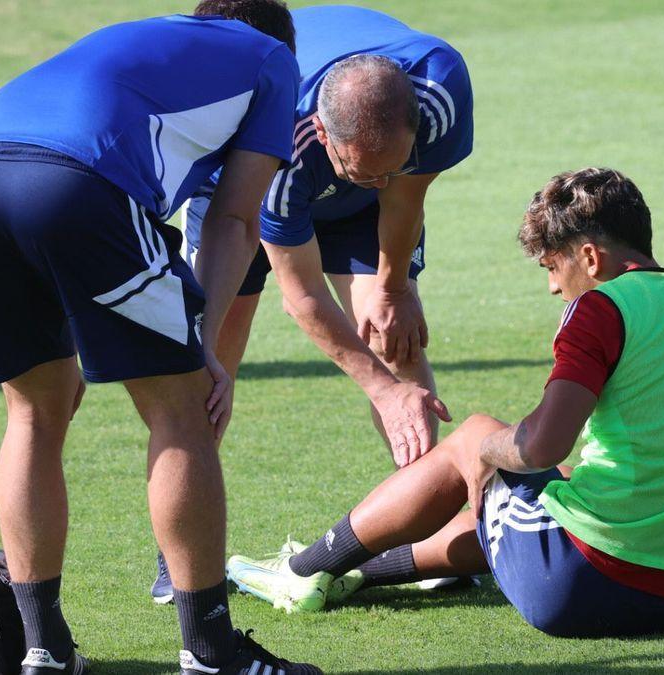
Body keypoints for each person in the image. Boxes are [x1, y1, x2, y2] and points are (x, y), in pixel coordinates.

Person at [225, 168, 664, 640]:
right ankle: (362, 573)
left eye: (553, 268)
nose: (554, 289)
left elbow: (541, 446)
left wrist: (481, 451)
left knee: (482, 435)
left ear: (590, 254)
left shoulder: (600, 311)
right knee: (547, 495)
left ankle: (305, 570)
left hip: (575, 586)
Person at [0, 6, 321, 674]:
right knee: (183, 407)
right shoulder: (272, 58)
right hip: (76, 178)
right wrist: (202, 343)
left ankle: (44, 649)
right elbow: (235, 220)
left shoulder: (157, 41)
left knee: (33, 410)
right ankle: (211, 652)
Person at [183, 3, 474, 467]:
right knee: (209, 368)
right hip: (238, 199)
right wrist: (384, 392)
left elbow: (401, 199)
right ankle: (180, 539)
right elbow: (302, 296)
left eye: (392, 168)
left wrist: (394, 289)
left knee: (393, 337)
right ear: (321, 132)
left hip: (350, 200)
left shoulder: (439, 89)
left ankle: (422, 518)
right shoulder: (279, 150)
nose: (381, 184)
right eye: (365, 172)